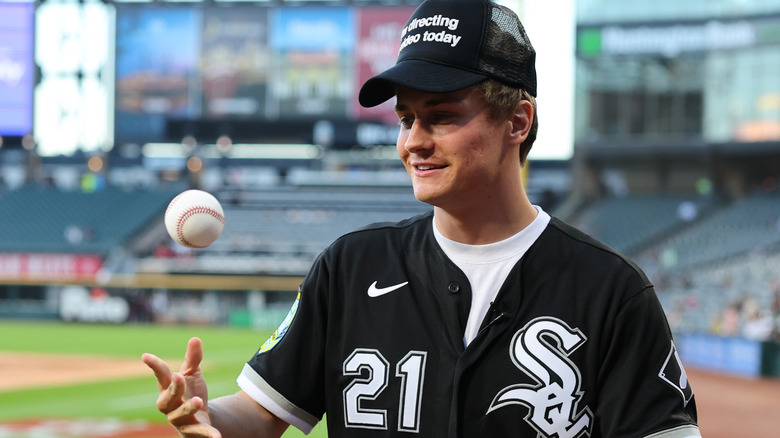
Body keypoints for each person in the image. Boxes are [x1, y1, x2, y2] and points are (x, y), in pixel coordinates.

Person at [143, 0, 701, 436]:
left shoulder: (610, 290)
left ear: (518, 121)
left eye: (441, 117)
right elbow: (259, 417)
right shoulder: (350, 268)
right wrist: (205, 413)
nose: (414, 142)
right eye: (406, 118)